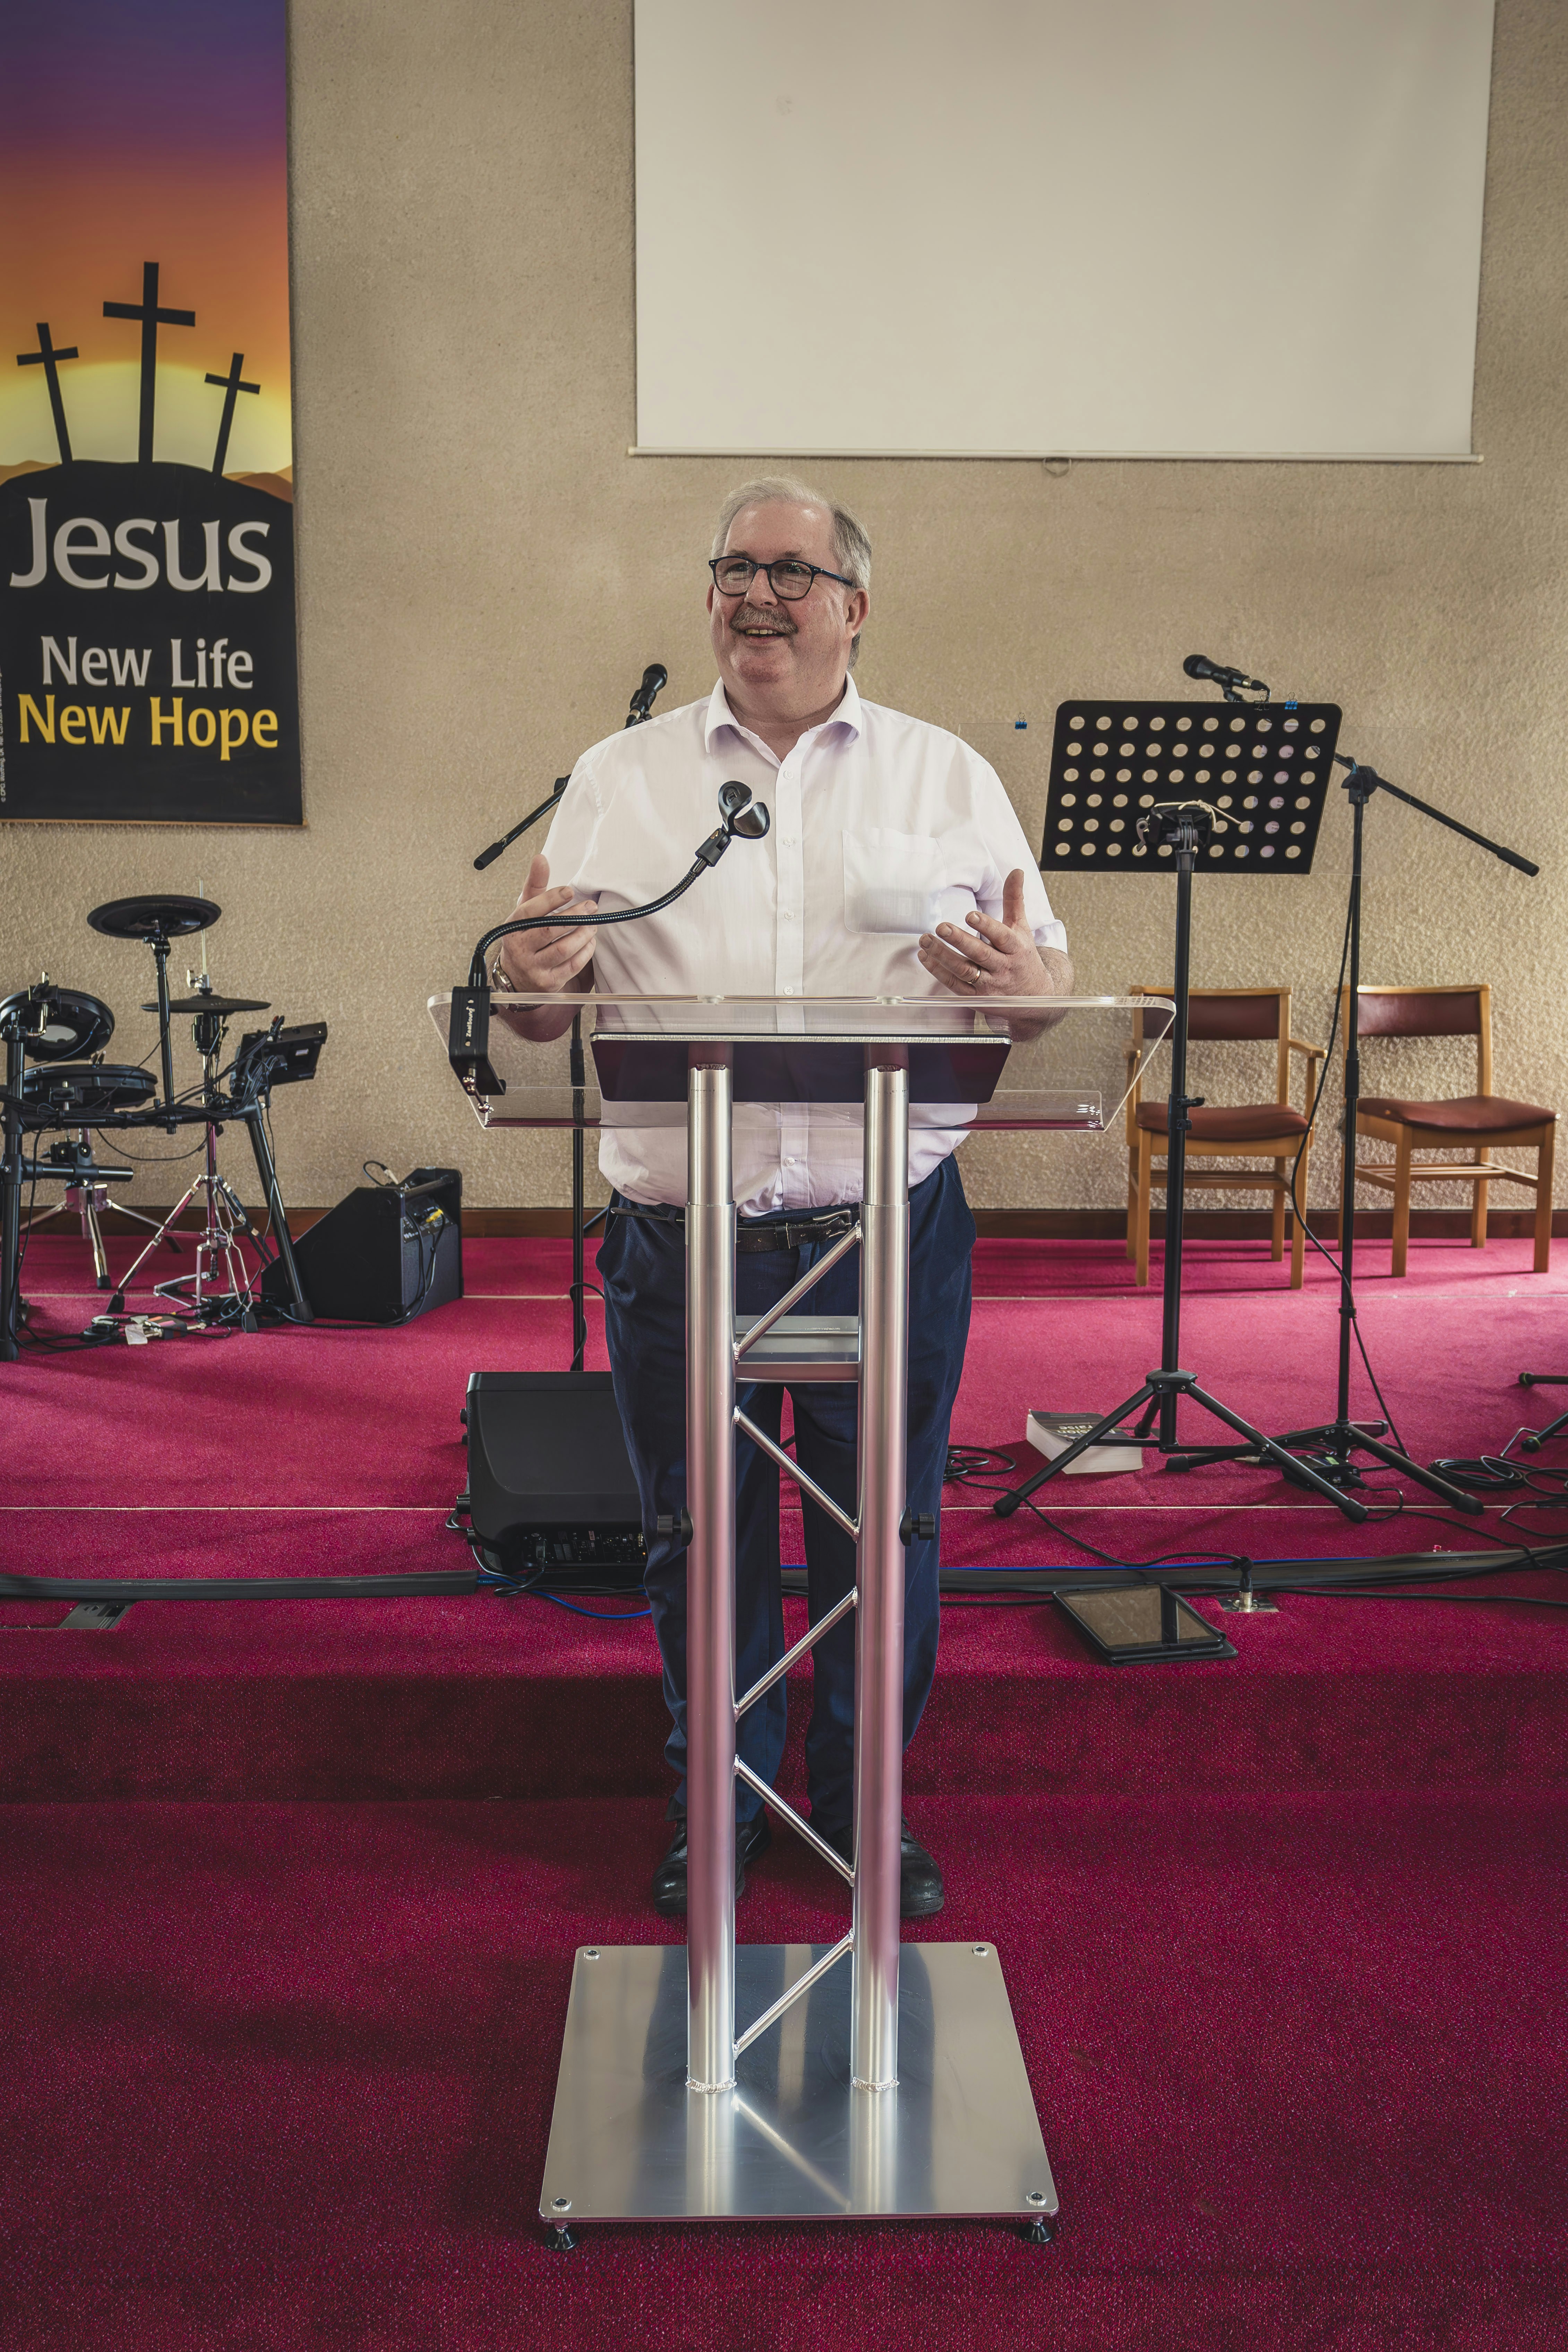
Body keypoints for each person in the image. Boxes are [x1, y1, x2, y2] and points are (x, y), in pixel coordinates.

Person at [494, 476, 1073, 1917]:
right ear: (709, 597)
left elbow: (1049, 991)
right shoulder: (620, 775)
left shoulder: (945, 776)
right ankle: (726, 1798)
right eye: (735, 568)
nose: (760, 593)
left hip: (885, 1238)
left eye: (793, 572)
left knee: (886, 1538)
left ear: (854, 605)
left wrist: (1032, 991)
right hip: (680, 1249)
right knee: (701, 1537)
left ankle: (867, 1804)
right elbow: (539, 1021)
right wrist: (529, 981)